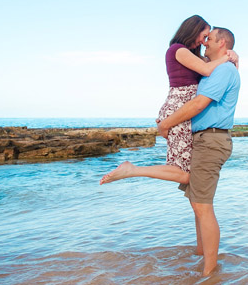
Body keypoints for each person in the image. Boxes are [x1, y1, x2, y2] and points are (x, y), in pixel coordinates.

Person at [99, 15, 236, 186]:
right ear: (194, 31)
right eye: (204, 36)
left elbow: (221, 73)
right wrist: (228, 57)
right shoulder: (178, 50)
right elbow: (208, 70)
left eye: (208, 38)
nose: (203, 42)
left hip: (183, 110)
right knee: (185, 174)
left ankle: (133, 170)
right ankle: (132, 170)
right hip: (180, 109)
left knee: (184, 171)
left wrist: (232, 56)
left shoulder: (191, 55)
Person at [157, 27, 240, 276]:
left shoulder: (223, 70)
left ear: (222, 43)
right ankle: (201, 256)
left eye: (209, 39)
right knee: (197, 204)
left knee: (203, 205)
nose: (205, 43)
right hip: (203, 139)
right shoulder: (217, 68)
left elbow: (198, 103)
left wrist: (166, 123)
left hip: (211, 139)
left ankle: (209, 274)